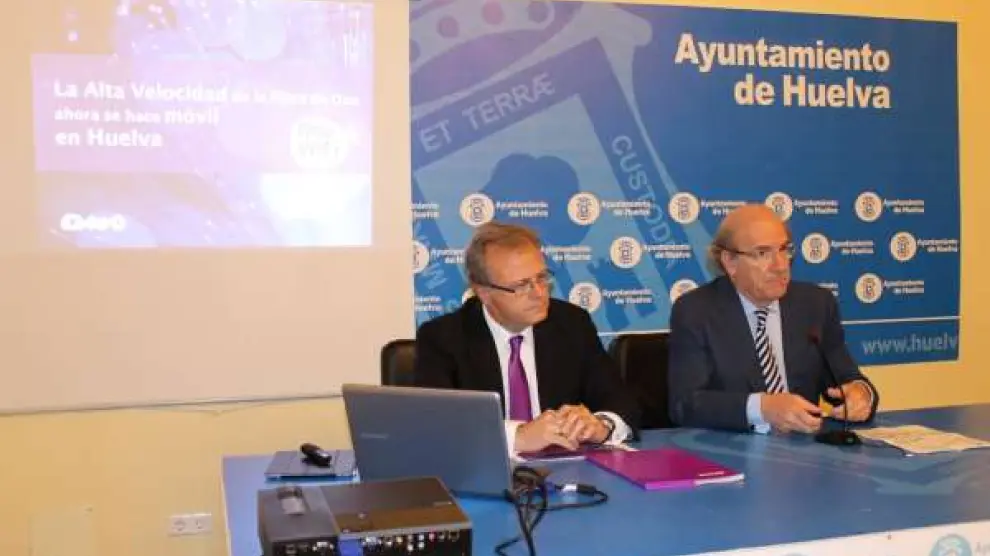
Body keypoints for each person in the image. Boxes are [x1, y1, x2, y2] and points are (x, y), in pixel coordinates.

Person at [414, 221, 639, 454]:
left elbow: (622, 402)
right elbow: (435, 426)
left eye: (541, 278)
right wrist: (517, 436)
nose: (539, 293)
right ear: (484, 292)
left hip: (567, 468)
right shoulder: (443, 338)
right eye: (522, 285)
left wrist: (602, 425)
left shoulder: (572, 324)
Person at [667, 204, 879, 434]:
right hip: (733, 448)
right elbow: (685, 404)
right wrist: (762, 408)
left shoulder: (816, 305)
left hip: (805, 448)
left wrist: (861, 394)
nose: (780, 266)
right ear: (730, 262)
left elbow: (846, 379)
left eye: (784, 249)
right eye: (762, 253)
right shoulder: (696, 311)